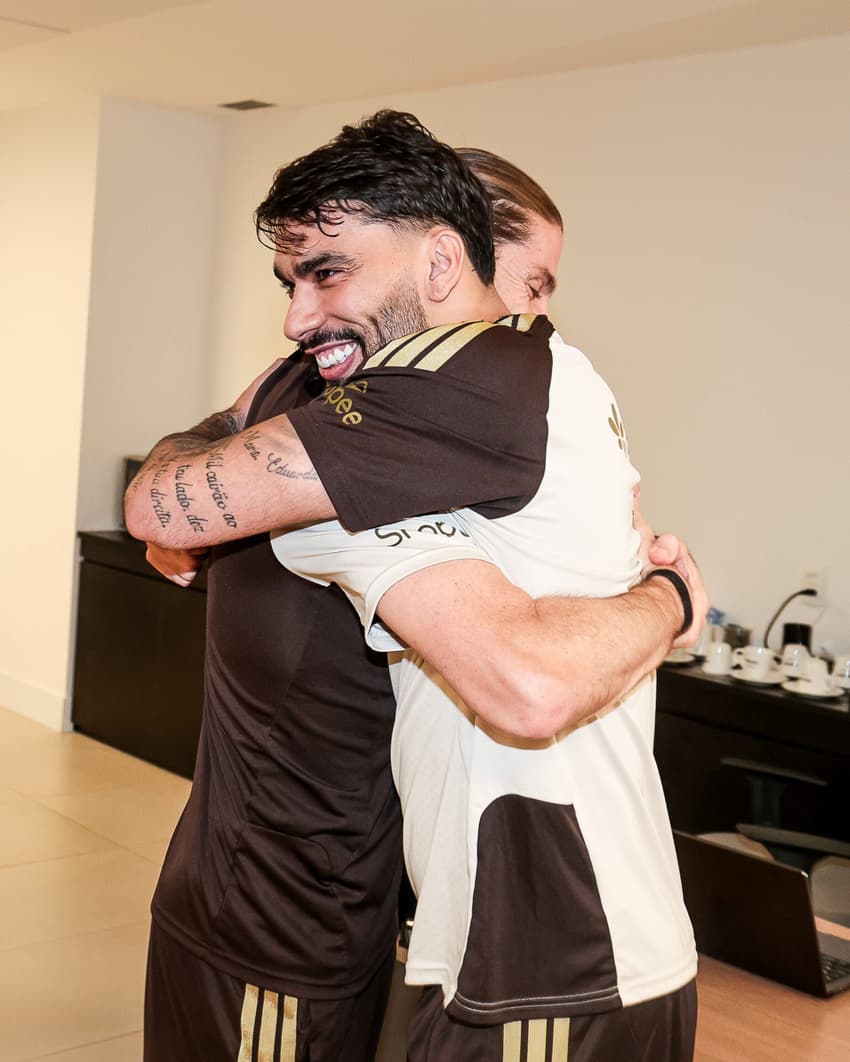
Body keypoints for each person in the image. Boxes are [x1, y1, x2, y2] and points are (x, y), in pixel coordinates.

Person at [125, 112, 703, 1062]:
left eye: (538, 291)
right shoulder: (361, 410)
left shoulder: (498, 390)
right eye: (525, 281)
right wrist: (667, 596)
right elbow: (185, 477)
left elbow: (530, 682)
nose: (528, 317)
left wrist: (668, 600)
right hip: (466, 932)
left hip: (547, 945)